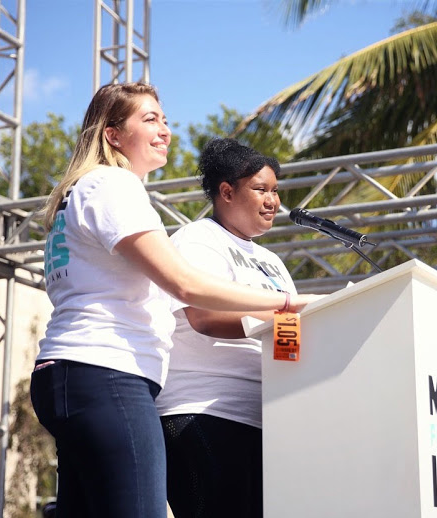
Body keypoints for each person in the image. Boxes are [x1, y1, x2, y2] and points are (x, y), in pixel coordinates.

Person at [30, 83, 319, 518]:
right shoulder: (112, 184)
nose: (165, 129)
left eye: (164, 119)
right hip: (111, 375)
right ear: (112, 135)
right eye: (149, 119)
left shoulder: (83, 190)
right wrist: (284, 304)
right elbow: (185, 287)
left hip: (80, 376)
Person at [155, 138, 297, 518]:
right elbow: (202, 317)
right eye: (261, 190)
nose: (274, 202)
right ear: (227, 192)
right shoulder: (198, 239)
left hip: (266, 417)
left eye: (276, 191)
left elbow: (289, 338)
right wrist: (279, 319)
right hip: (202, 413)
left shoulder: (273, 263)